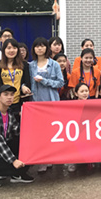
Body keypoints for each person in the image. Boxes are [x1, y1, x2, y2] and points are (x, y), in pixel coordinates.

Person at [29, 37, 63, 173]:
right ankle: (42, 160)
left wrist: (44, 81)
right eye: (37, 46)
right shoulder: (30, 65)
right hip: (36, 103)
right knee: (40, 133)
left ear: (46, 48)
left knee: (52, 131)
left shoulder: (54, 64)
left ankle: (52, 158)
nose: (40, 48)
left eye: (42, 46)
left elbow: (60, 82)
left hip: (51, 102)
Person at [0, 39, 32, 115]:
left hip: (19, 103)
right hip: (4, 103)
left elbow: (27, 82)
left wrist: (24, 87)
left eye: (14, 48)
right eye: (9, 48)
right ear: (4, 50)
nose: (12, 50)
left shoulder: (24, 65)